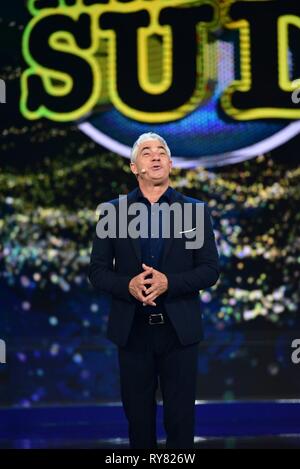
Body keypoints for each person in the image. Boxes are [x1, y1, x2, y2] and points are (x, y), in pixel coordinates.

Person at [88, 132, 220, 449]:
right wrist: (128, 285)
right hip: (132, 332)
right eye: (147, 152)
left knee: (180, 423)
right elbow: (98, 271)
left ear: (171, 164)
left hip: (179, 334)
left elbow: (209, 270)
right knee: (139, 425)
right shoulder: (112, 212)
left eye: (162, 151)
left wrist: (168, 283)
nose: (156, 155)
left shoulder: (194, 212)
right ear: (135, 167)